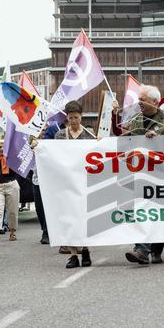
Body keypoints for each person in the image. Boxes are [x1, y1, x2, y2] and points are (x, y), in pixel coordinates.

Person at [123, 85, 164, 265]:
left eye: (143, 100)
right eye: (138, 99)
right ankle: (141, 249)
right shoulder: (136, 120)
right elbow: (127, 143)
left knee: (160, 213)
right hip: (141, 174)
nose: (139, 103)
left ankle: (155, 250)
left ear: (155, 102)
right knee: (142, 210)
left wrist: (159, 139)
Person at [55, 101, 96, 269]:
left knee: (83, 217)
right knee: (69, 218)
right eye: (70, 117)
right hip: (66, 182)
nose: (73, 121)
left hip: (84, 181)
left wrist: (99, 143)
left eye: (76, 117)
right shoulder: (60, 135)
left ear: (81, 116)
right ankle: (73, 254)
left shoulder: (89, 134)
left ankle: (85, 249)